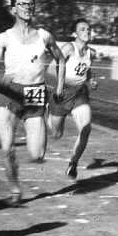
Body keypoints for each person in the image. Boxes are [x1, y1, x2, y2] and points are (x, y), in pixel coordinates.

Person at [0, 0, 65, 205]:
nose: (28, 8)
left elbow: (61, 59)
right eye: (22, 4)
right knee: (7, 148)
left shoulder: (44, 36)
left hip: (35, 93)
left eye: (31, 4)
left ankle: (46, 115)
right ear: (13, 9)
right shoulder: (4, 38)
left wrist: (59, 87)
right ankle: (15, 188)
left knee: (37, 155)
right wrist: (2, 80)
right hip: (10, 94)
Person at [47, 18, 98, 180]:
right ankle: (46, 113)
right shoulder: (69, 48)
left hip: (80, 94)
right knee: (56, 134)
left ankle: (73, 164)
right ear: (75, 34)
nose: (87, 32)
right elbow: (50, 70)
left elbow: (87, 70)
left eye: (89, 29)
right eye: (83, 29)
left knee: (85, 128)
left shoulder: (92, 53)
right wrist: (62, 84)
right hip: (62, 93)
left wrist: (90, 80)